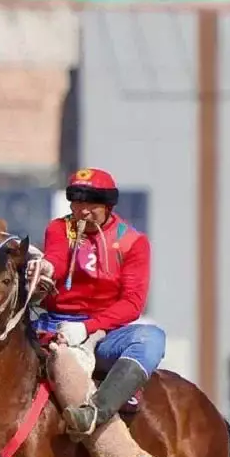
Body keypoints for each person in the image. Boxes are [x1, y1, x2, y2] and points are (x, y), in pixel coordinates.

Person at [34, 167, 166, 443]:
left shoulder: (133, 242)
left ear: (108, 205)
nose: (82, 211)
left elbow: (132, 303)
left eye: (90, 202)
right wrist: (45, 267)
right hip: (50, 324)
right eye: (76, 201)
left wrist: (85, 328)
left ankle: (97, 411)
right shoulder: (59, 228)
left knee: (152, 338)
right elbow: (57, 258)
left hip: (102, 333)